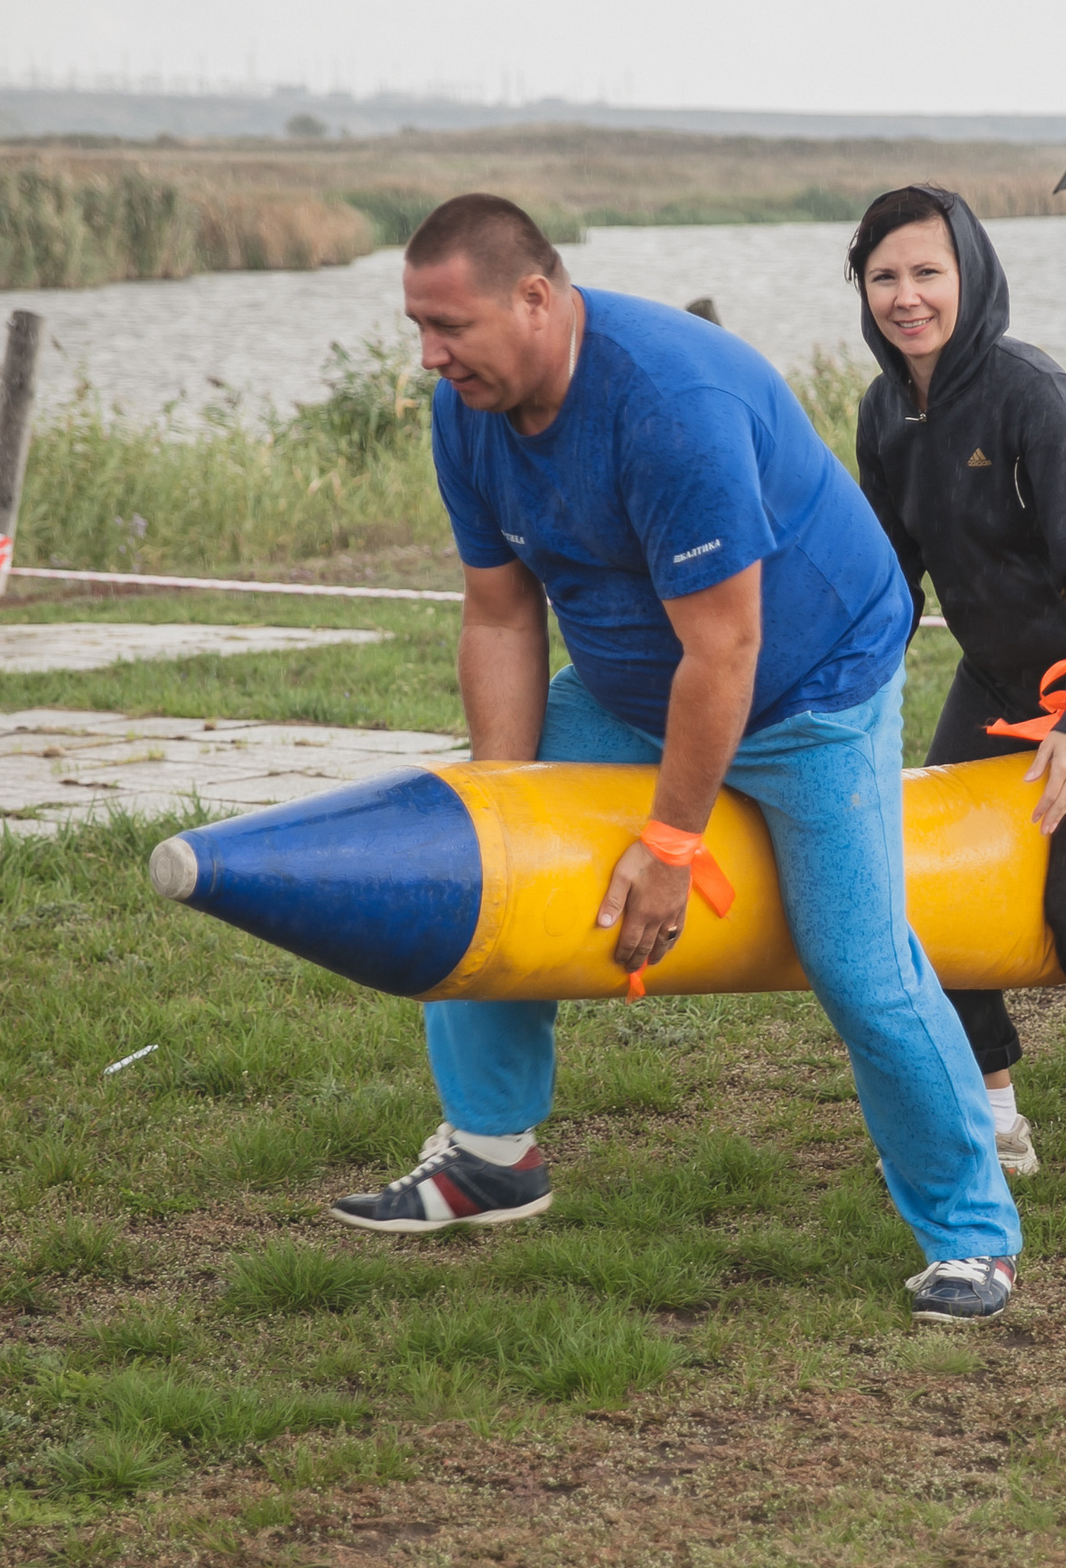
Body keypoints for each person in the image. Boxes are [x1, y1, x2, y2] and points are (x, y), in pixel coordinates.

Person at [332, 193, 1024, 1326]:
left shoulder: (668, 401)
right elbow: (501, 616)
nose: (428, 355)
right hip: (627, 689)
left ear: (537, 299)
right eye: (418, 326)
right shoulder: (469, 410)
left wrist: (668, 839)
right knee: (471, 857)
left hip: (808, 687)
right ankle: (490, 1153)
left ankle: (972, 1237)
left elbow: (727, 648)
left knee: (856, 963)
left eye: (448, 327)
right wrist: (504, 801)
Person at [849, 186, 1066, 1209]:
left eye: (927, 273)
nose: (906, 297)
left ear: (970, 274)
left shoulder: (1031, 395)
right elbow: (886, 578)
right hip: (997, 679)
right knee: (936, 887)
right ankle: (995, 1110)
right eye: (884, 278)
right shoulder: (885, 412)